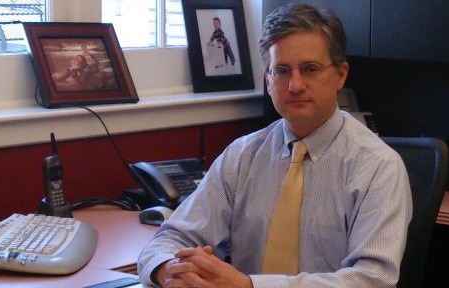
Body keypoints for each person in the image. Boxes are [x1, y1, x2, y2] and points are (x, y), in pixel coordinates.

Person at [138, 3, 412, 288]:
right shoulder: (242, 155)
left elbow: (373, 279)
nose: (295, 85)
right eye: (281, 71)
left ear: (340, 75)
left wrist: (250, 286)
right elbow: (171, 238)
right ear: (267, 79)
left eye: (310, 69)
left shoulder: (379, 166)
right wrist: (168, 268)